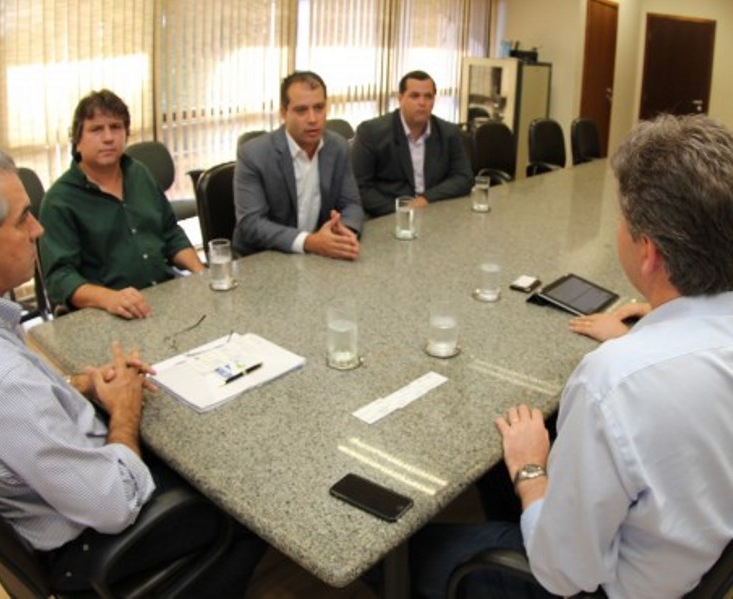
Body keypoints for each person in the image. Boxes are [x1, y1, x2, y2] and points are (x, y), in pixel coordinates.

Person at [411, 114, 733, 598]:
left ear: (648, 253)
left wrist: (530, 469)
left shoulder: (611, 382)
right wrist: (641, 335)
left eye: (623, 219)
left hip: (594, 587)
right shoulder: (650, 357)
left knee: (407, 553)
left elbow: (563, 572)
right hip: (693, 560)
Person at [0, 147, 264, 596]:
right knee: (247, 502)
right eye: (23, 219)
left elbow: (2, 415)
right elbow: (111, 503)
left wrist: (80, 385)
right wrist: (125, 412)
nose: (38, 229)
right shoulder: (1, 381)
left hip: (50, 495)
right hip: (92, 540)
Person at [39, 89, 203, 320]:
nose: (108, 138)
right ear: (77, 141)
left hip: (161, 299)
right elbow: (60, 279)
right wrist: (109, 298)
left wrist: (200, 272)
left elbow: (170, 232)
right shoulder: (59, 201)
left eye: (115, 127)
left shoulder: (140, 174)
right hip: (105, 313)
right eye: (96, 129)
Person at [233, 71, 364, 259]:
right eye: (301, 110)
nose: (312, 119)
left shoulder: (337, 147)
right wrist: (310, 242)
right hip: (265, 257)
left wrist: (343, 233)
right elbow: (251, 224)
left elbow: (351, 204)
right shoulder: (253, 154)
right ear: (284, 113)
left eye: (319, 108)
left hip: (318, 257)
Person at [350, 70, 473, 217]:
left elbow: (464, 177)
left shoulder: (449, 132)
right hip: (387, 215)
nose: (422, 103)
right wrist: (402, 210)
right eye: (414, 96)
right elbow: (360, 187)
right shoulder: (371, 132)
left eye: (428, 96)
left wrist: (426, 199)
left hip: (435, 211)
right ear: (400, 98)